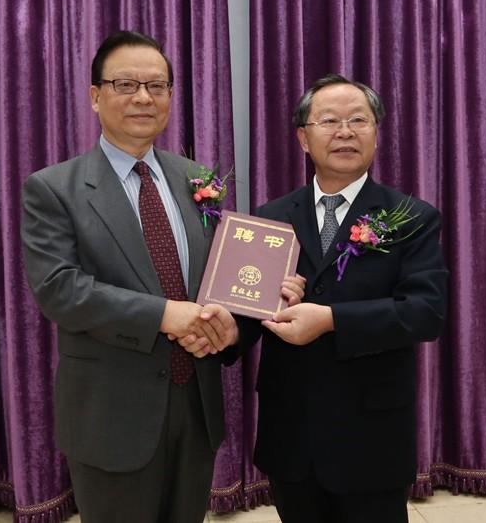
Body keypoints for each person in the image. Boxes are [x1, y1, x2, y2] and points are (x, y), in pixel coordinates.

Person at [21, 30, 293, 523]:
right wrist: (167, 315)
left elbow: (221, 278)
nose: (144, 97)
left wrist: (239, 318)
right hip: (112, 413)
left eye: (157, 85)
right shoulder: (54, 188)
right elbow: (60, 290)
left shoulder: (196, 179)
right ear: (95, 96)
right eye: (125, 84)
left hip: (195, 408)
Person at [183, 74, 449, 522]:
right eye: (329, 121)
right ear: (303, 138)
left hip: (372, 435)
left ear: (376, 133)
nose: (345, 132)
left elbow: (425, 313)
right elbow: (252, 306)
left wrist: (330, 320)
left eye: (358, 120)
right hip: (292, 432)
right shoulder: (271, 216)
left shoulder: (410, 218)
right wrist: (229, 331)